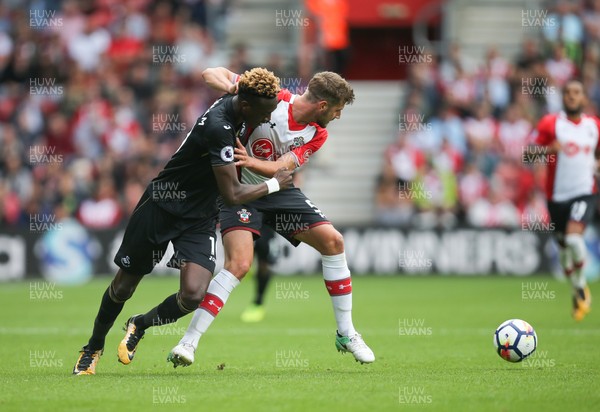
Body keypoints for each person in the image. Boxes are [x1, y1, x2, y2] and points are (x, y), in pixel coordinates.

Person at [72, 68, 294, 375]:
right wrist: (275, 184)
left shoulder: (242, 103)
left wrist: (237, 81)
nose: (269, 118)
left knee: (192, 295)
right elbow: (231, 193)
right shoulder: (220, 125)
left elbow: (212, 73)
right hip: (162, 206)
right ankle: (93, 347)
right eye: (265, 112)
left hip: (200, 215)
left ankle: (140, 323)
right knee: (124, 286)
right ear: (245, 105)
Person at [167, 67, 376, 368]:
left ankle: (346, 333)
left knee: (333, 242)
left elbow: (283, 167)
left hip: (279, 190)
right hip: (239, 192)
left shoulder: (317, 133)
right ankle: (188, 342)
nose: (338, 116)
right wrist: (232, 86)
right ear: (322, 106)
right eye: (338, 110)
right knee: (239, 265)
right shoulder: (271, 99)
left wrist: (250, 160)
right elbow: (209, 73)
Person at [533, 79, 600, 321]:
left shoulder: (594, 126)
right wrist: (546, 150)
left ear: (583, 98)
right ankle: (576, 289)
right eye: (568, 93)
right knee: (562, 248)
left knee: (573, 238)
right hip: (557, 197)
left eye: (577, 93)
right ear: (563, 97)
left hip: (584, 192)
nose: (572, 96)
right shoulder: (551, 124)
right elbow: (528, 153)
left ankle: (581, 285)